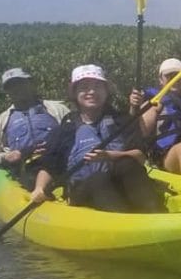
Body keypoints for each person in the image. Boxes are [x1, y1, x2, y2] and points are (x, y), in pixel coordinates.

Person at [29, 65, 163, 212]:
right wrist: (39, 188)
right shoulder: (65, 129)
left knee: (127, 164)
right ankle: (121, 222)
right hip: (84, 189)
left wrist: (109, 156)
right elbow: (49, 165)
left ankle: (155, 214)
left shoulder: (121, 120)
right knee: (98, 179)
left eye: (98, 87)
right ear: (75, 93)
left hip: (119, 183)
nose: (92, 92)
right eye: (85, 87)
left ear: (106, 91)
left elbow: (139, 156)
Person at [0, 68, 69, 187]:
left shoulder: (57, 109)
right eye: (11, 86)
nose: (16, 89)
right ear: (7, 91)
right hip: (21, 177)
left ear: (31, 84)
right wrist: (6, 157)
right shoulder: (2, 120)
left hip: (59, 170)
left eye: (20, 83)